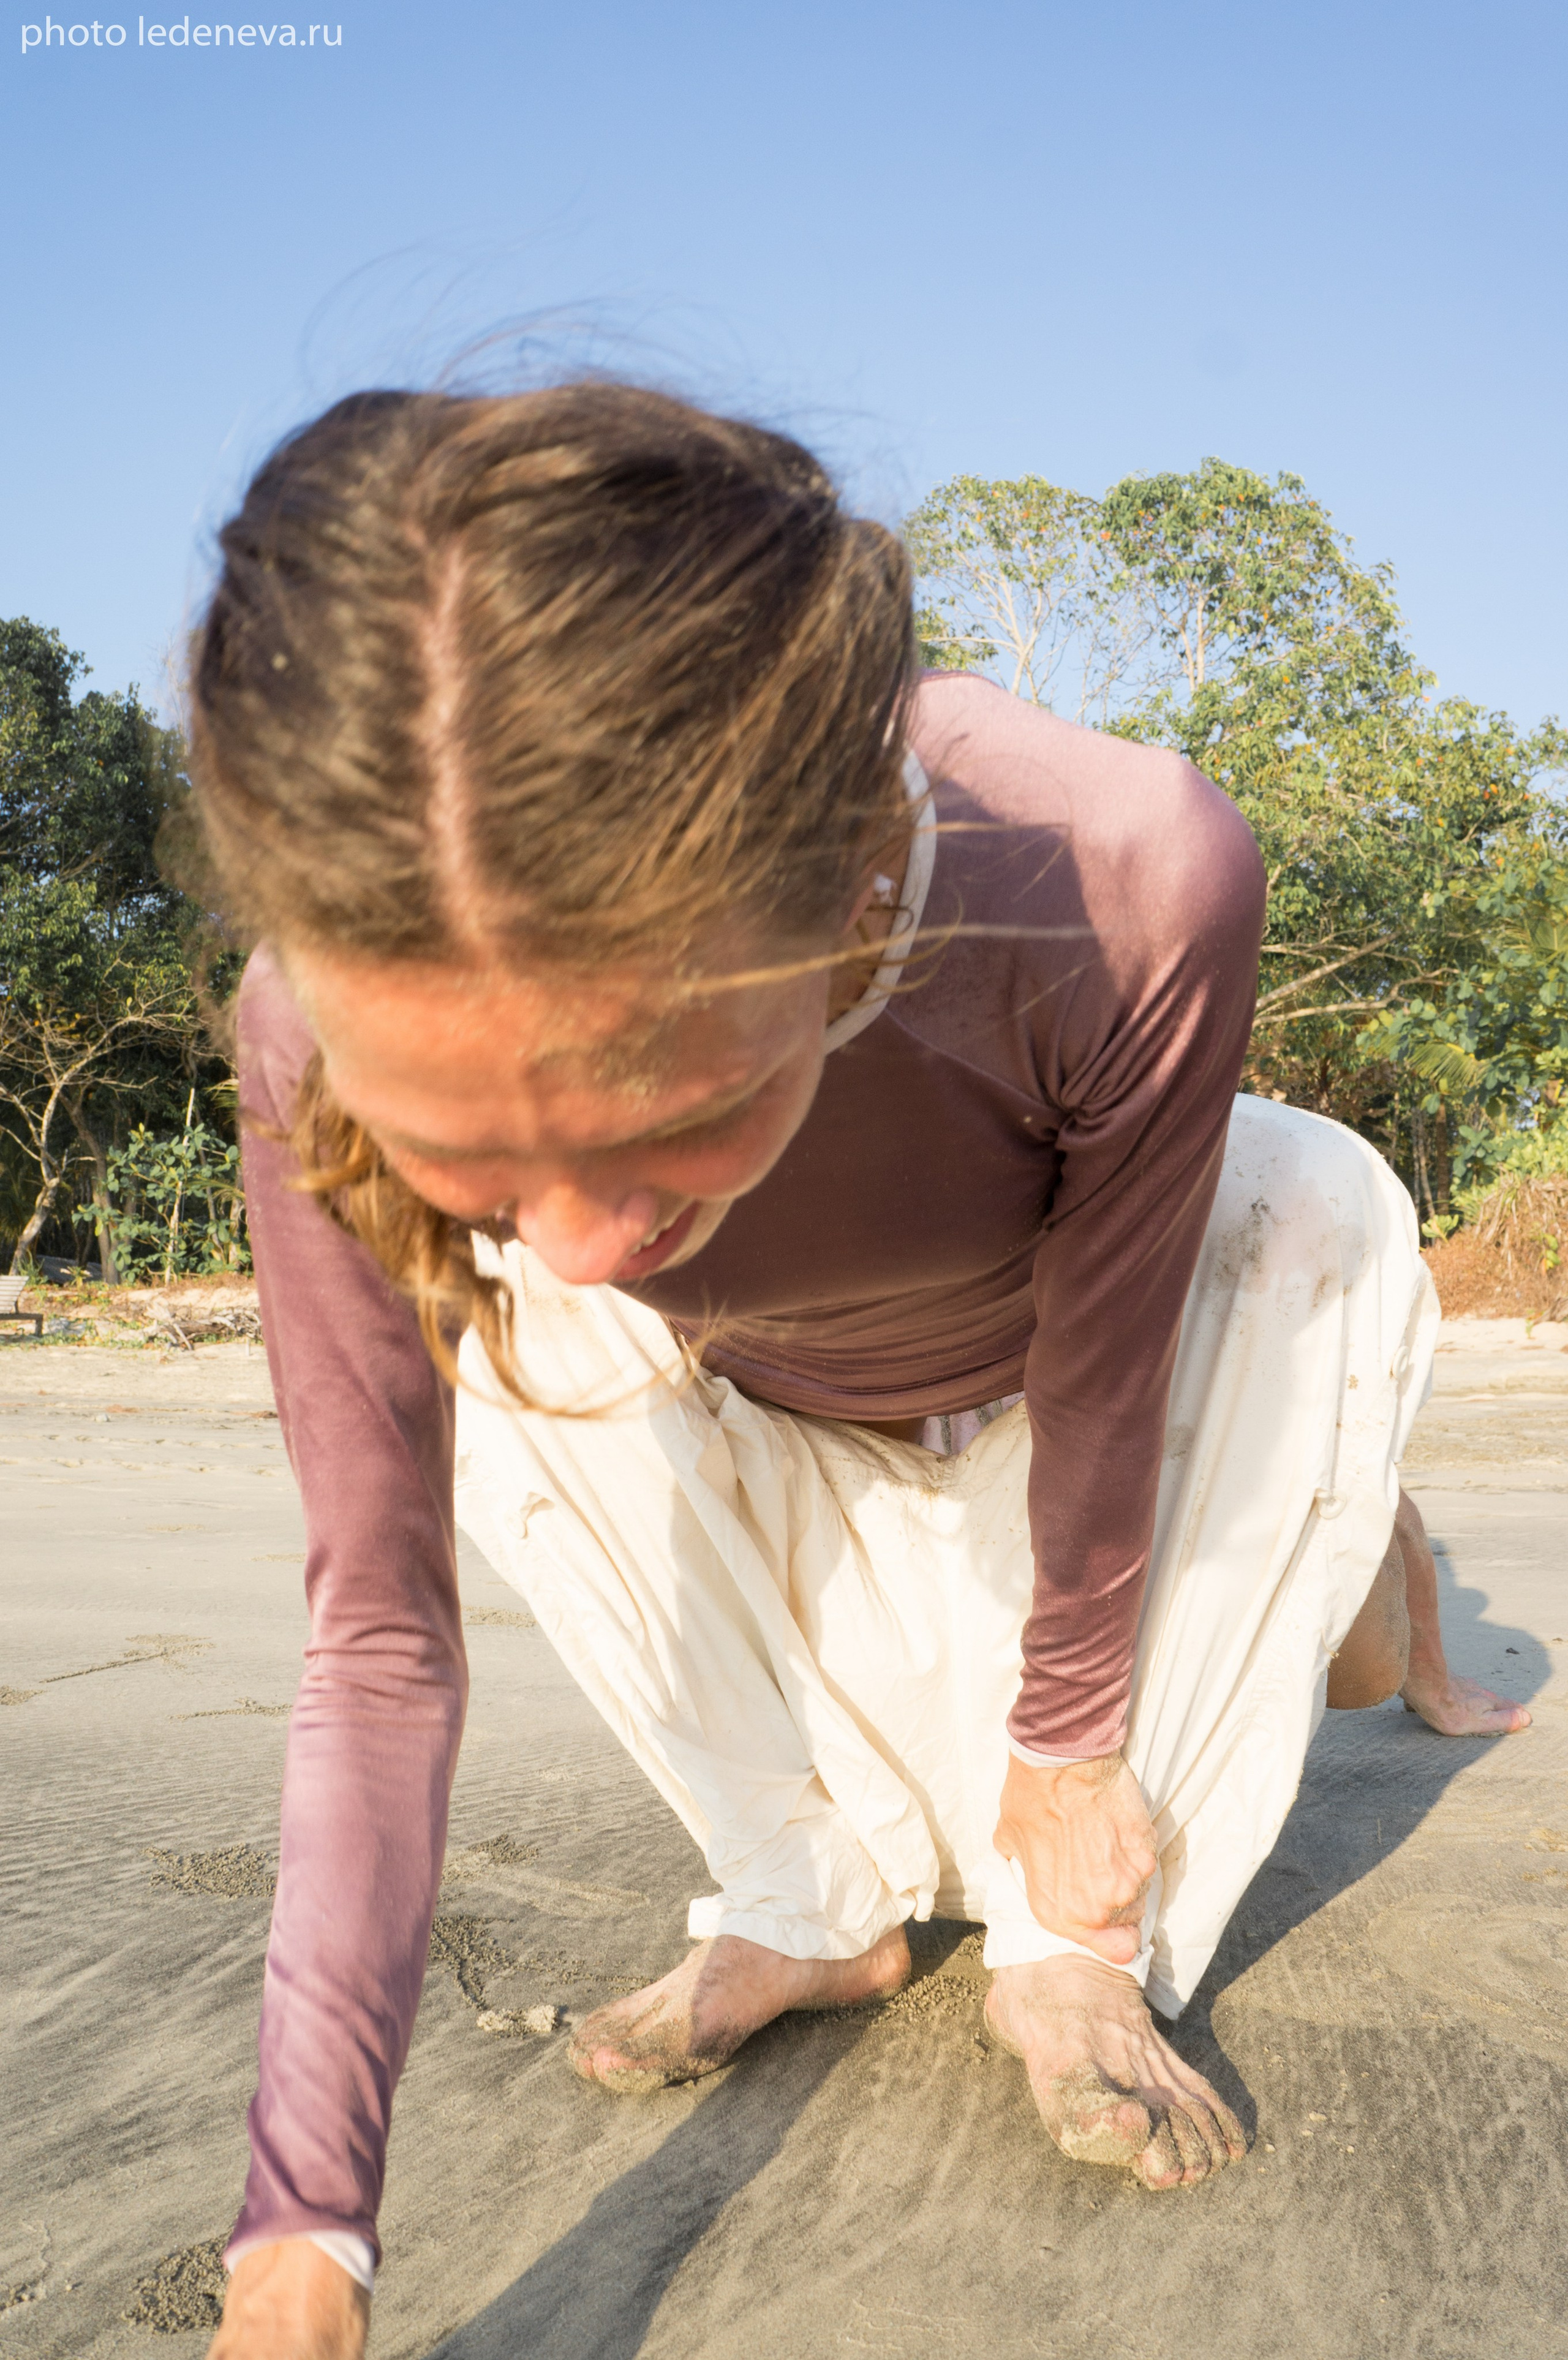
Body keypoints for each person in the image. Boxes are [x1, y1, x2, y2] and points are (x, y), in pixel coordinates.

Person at [194, 384, 1528, 2360]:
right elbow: (378, 1638)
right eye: (484, 1155)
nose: (571, 1234)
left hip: (1083, 1380)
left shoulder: (1119, 869)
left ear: (838, 912)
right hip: (779, 1411)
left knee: (1319, 1199)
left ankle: (1097, 1928)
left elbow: (1111, 1350)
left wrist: (1071, 1750)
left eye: (668, 1116)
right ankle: (804, 1893)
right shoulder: (310, 1027)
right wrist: (305, 2239)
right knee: (513, 1310)